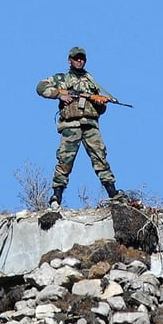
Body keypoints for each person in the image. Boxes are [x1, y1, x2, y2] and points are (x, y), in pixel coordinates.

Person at [36, 46, 122, 208]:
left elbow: (101, 110)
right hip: (71, 124)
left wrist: (100, 103)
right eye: (76, 58)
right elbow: (40, 87)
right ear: (70, 60)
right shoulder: (61, 79)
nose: (79, 61)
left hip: (90, 125)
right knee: (65, 160)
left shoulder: (91, 81)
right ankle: (56, 196)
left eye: (82, 58)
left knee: (100, 158)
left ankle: (113, 193)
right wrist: (60, 95)